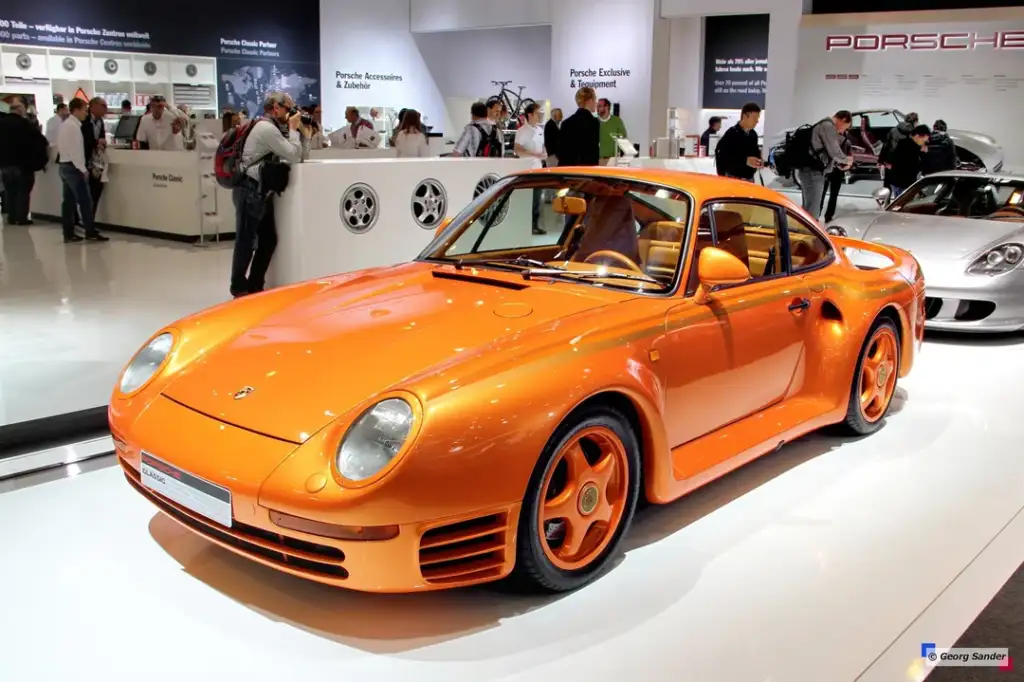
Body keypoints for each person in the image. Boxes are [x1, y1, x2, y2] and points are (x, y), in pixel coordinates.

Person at [230, 91, 303, 298]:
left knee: (268, 239)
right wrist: (294, 130)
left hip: (260, 190)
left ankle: (255, 285)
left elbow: (300, 154)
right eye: (289, 108)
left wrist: (299, 132)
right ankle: (238, 287)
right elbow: (293, 155)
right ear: (276, 108)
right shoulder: (266, 129)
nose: (292, 113)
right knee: (246, 241)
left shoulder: (272, 128)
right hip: (250, 189)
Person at [56, 97, 107, 242]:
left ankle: (68, 233)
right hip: (73, 168)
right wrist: (82, 168)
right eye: (84, 109)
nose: (86, 112)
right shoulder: (73, 127)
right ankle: (90, 231)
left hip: (65, 166)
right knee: (85, 201)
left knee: (69, 202)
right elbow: (75, 150)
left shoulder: (67, 125)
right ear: (76, 110)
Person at [795, 110, 853, 217]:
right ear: (843, 120)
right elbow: (834, 151)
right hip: (813, 173)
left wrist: (836, 164)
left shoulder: (822, 124)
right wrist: (847, 160)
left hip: (809, 171)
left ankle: (803, 231)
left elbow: (825, 153)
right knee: (813, 210)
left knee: (808, 207)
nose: (842, 131)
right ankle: (810, 232)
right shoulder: (828, 126)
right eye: (846, 127)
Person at [0, 96, 47, 225]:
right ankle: (22, 217)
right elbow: (39, 140)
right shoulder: (24, 124)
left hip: (5, 164)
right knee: (23, 191)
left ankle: (11, 216)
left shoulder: (2, 123)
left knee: (10, 191)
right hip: (22, 164)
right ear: (20, 111)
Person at [514, 102, 547, 234]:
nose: (540, 116)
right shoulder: (522, 131)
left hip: (538, 168)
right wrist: (535, 154)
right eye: (538, 113)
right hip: (527, 169)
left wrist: (543, 154)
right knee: (528, 199)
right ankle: (525, 225)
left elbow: (543, 146)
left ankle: (534, 224)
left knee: (537, 199)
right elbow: (518, 149)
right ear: (530, 114)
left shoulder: (540, 130)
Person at [714, 102, 762, 181]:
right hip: (733, 179)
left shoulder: (753, 134)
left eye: (758, 118)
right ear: (745, 116)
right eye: (755, 117)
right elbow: (723, 156)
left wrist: (759, 160)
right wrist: (745, 160)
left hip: (749, 178)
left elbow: (755, 152)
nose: (757, 121)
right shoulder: (732, 133)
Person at [558, 87, 600, 167]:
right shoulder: (594, 122)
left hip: (568, 170)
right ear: (590, 101)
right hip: (587, 170)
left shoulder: (566, 123)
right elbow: (593, 151)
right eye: (595, 100)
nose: (596, 103)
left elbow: (562, 151)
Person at [886, 124, 930, 198]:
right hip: (902, 183)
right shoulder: (908, 147)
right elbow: (915, 166)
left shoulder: (908, 144)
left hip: (901, 182)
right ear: (917, 136)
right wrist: (924, 154)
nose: (926, 141)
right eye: (925, 139)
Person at [82, 97, 108, 218]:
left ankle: (90, 220)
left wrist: (101, 143)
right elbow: (83, 141)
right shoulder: (83, 120)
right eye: (103, 106)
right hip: (82, 162)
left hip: (96, 164)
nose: (106, 109)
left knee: (95, 191)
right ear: (93, 106)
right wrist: (97, 142)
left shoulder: (100, 122)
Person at [878, 112, 918, 186]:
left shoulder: (893, 130)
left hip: (890, 162)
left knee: (888, 186)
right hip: (905, 165)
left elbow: (885, 146)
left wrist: (881, 161)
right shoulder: (914, 134)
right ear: (915, 122)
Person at [820, 132, 852, 223]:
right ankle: (828, 216)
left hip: (825, 170)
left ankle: (816, 215)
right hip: (837, 171)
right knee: (833, 195)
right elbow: (847, 159)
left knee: (821, 194)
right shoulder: (847, 142)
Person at [597, 98, 627, 165]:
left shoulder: (617, 121)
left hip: (612, 160)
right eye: (597, 106)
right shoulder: (594, 122)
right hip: (597, 160)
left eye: (599, 106)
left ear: (607, 107)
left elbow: (623, 139)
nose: (597, 108)